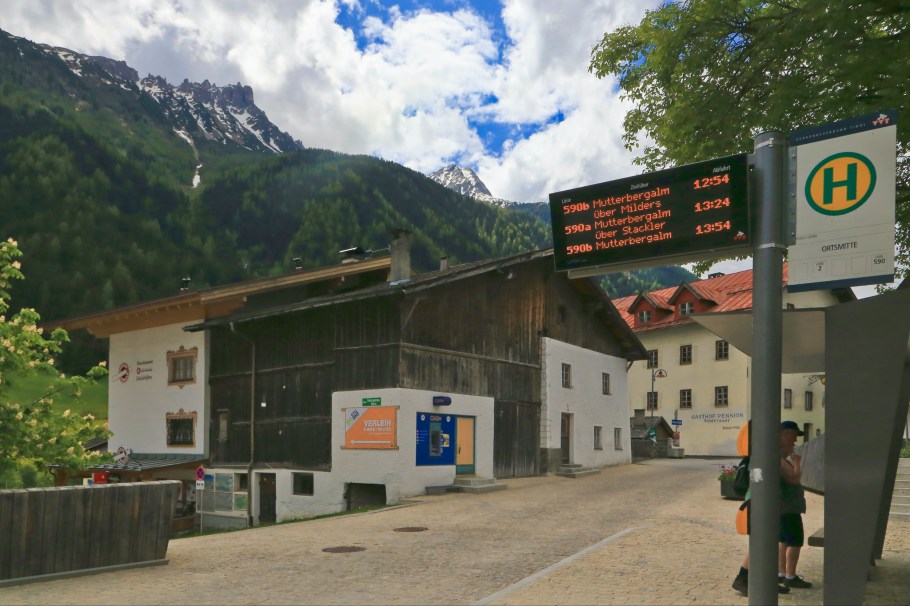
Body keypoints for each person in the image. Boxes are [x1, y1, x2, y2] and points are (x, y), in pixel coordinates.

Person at [732, 420, 813, 596]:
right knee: (759, 543)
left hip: (767, 505)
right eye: (792, 436)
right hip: (761, 505)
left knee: (767, 543)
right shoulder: (767, 455)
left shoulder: (767, 454)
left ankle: (765, 579)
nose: (794, 441)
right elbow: (765, 479)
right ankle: (741, 579)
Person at [778, 420, 812, 589]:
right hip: (789, 508)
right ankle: (790, 576)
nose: (795, 441)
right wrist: (797, 462)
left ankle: (782, 573)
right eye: (793, 436)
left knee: (784, 540)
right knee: (795, 541)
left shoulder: (779, 457)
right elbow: (793, 479)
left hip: (785, 508)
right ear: (784, 435)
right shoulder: (780, 459)